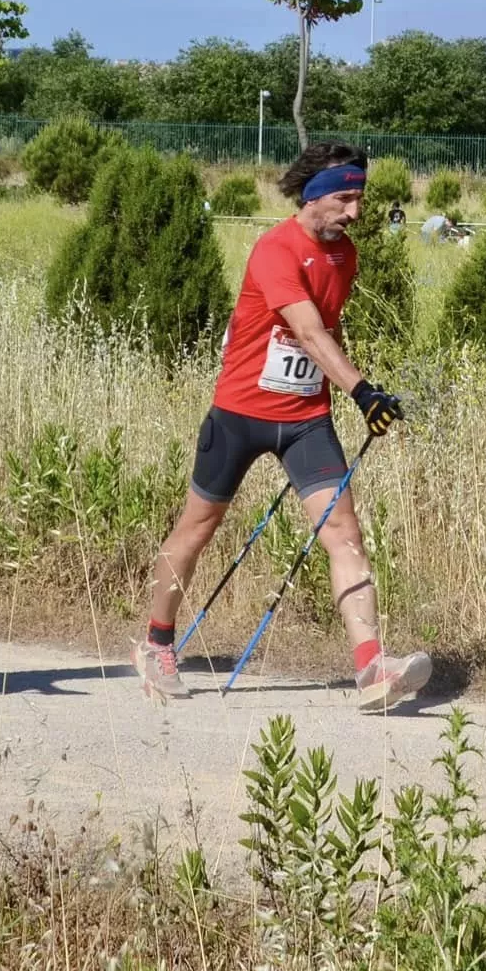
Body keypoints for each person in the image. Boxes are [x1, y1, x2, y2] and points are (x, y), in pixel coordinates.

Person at [132, 142, 429, 710]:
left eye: (359, 199)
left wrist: (347, 390)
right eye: (345, 198)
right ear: (315, 195)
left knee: (344, 534)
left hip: (305, 420)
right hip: (240, 415)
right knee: (197, 529)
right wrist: (363, 392)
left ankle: (371, 670)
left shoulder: (346, 257)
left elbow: (327, 337)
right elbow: (310, 334)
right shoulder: (275, 250)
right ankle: (156, 643)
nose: (354, 212)